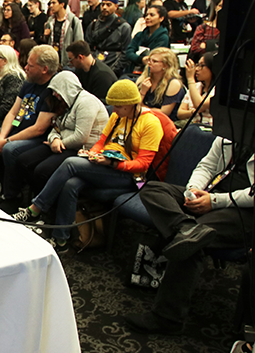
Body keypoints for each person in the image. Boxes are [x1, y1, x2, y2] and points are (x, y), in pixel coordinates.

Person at [12, 80, 164, 253]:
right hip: (107, 165)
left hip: (129, 176)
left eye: (118, 107)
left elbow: (143, 164)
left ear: (130, 104)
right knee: (71, 184)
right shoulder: (118, 116)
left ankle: (34, 209)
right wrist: (93, 153)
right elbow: (101, 142)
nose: (113, 111)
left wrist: (113, 163)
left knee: (70, 163)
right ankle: (61, 240)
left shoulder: (151, 123)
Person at [125, 137, 253, 335]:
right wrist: (192, 189)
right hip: (211, 193)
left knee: (194, 242)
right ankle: (184, 226)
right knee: (152, 189)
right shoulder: (231, 129)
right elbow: (207, 165)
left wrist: (215, 201)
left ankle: (167, 318)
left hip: (243, 210)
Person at [6, 71, 109, 209]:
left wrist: (60, 142)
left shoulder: (86, 102)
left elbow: (81, 137)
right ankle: (27, 201)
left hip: (82, 149)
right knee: (23, 160)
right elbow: (56, 126)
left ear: (66, 89)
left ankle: (43, 209)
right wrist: (54, 139)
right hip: (61, 143)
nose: (54, 94)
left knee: (42, 171)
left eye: (56, 91)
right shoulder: (66, 102)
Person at [0, 45, 58, 204]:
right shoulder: (29, 82)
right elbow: (12, 113)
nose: (25, 68)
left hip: (35, 137)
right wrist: (2, 137)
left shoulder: (53, 88)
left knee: (10, 149)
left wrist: (7, 141)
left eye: (30, 66)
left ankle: (11, 197)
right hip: (17, 129)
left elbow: (39, 129)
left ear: (44, 69)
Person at [136, 47, 185, 122]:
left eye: (154, 61)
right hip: (144, 119)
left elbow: (164, 113)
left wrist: (142, 108)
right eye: (149, 60)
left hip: (165, 123)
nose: (149, 63)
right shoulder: (143, 79)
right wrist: (143, 91)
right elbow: (134, 106)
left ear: (165, 65)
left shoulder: (173, 83)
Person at [85, 0, 132, 70]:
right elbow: (87, 46)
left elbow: (126, 52)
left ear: (116, 7)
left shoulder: (123, 26)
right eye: (102, 4)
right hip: (95, 63)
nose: (104, 7)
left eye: (108, 5)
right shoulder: (93, 24)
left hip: (114, 64)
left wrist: (115, 69)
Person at [120, 5, 170, 75]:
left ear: (161, 18)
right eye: (146, 15)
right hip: (132, 72)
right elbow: (129, 53)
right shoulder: (139, 35)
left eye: (152, 15)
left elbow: (152, 58)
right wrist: (141, 59)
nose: (147, 18)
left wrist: (136, 57)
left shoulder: (163, 38)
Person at [44, 0, 84, 70]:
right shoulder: (50, 21)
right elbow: (47, 41)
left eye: (54, 3)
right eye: (50, 3)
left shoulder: (73, 21)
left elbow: (79, 42)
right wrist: (46, 36)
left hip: (68, 63)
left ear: (62, 4)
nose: (51, 6)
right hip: (53, 61)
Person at [177, 52, 215, 127]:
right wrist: (192, 112)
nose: (197, 69)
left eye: (202, 66)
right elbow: (180, 113)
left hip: (210, 131)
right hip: (194, 128)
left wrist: (190, 79)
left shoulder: (218, 90)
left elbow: (199, 105)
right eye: (197, 65)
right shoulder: (195, 87)